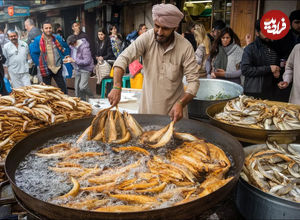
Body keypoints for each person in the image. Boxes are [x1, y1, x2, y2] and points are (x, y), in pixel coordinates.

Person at [108, 3, 200, 122]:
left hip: (174, 115)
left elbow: (194, 82)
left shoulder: (185, 47)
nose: (159, 32)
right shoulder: (147, 38)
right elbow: (123, 59)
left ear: (175, 28)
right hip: (147, 112)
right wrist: (116, 86)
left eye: (165, 28)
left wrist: (181, 103)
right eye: (157, 26)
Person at [241, 19, 280, 100]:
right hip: (254, 91)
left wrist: (278, 70)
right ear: (257, 33)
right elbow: (245, 70)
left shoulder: (275, 47)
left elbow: (275, 66)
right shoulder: (250, 48)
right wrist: (269, 68)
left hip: (271, 90)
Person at [30, 20, 70, 94]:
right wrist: (39, 64)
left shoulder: (57, 38)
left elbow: (66, 48)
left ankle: (65, 102)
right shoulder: (38, 40)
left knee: (63, 89)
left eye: (50, 28)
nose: (48, 30)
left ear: (52, 28)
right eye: (46, 28)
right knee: (47, 91)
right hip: (46, 68)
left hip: (57, 67)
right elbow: (33, 53)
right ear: (42, 29)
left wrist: (65, 57)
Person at [274, 9, 300, 102]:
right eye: (297, 22)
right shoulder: (282, 36)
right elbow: (275, 54)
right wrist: (279, 63)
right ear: (290, 23)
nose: (299, 25)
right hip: (283, 74)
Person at [66, 35, 94, 101]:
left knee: (82, 87)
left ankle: (92, 96)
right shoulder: (73, 47)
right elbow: (74, 56)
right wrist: (69, 58)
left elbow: (87, 61)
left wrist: (75, 60)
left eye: (72, 45)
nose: (71, 47)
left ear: (75, 43)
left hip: (86, 68)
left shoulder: (84, 48)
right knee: (77, 90)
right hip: (77, 68)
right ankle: (82, 102)